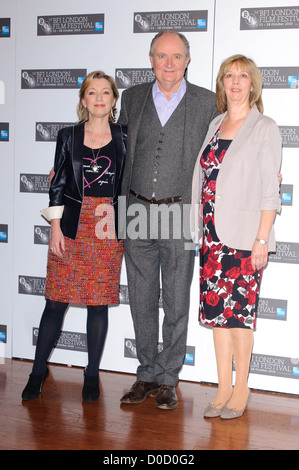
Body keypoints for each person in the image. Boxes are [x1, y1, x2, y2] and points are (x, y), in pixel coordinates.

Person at [118, 30, 218, 410]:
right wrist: (70, 162)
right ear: (151, 59)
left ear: (188, 60)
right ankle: (146, 373)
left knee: (176, 299)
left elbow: (220, 153)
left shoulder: (207, 103)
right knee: (142, 299)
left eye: (176, 56)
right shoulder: (132, 98)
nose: (169, 64)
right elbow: (115, 150)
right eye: (162, 56)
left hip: (181, 213)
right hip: (136, 212)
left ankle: (168, 379)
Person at [22, 71, 126, 402]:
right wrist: (55, 226)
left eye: (105, 92)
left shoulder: (124, 136)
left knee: (98, 305)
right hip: (71, 223)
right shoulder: (68, 136)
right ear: (83, 100)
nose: (99, 98)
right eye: (92, 92)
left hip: (108, 223)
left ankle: (91, 375)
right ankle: (38, 371)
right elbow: (58, 182)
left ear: (113, 100)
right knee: (55, 301)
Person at [191, 54, 282, 419]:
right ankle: (222, 388)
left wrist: (262, 240)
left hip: (245, 238)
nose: (236, 81)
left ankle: (241, 388)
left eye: (243, 76)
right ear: (222, 82)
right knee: (216, 314)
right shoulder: (215, 123)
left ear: (253, 83)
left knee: (238, 316)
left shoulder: (265, 127)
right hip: (212, 235)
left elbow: (269, 192)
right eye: (229, 75)